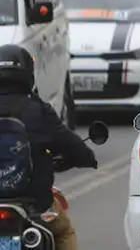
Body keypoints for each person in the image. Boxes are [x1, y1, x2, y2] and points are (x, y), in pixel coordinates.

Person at [0, 44, 98, 250]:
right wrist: (86, 157)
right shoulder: (38, 111)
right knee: (64, 231)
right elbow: (70, 143)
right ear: (28, 75)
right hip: (35, 205)